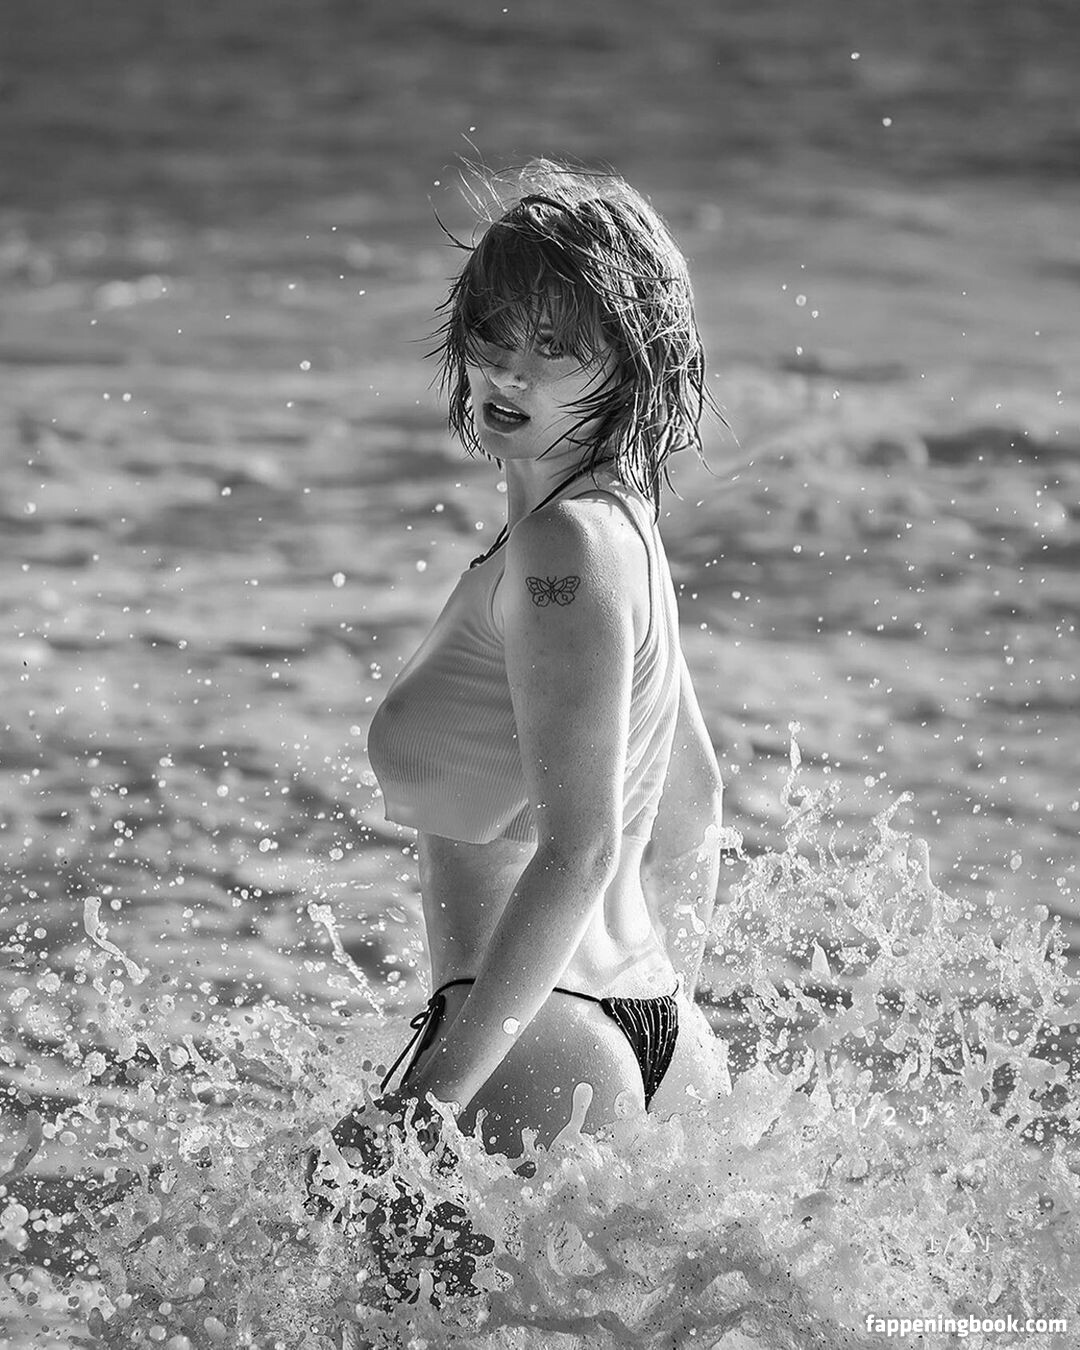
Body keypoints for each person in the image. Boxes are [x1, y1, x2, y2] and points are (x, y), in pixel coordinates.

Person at [306, 158, 724, 1262]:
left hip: (535, 1044)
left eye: (554, 344)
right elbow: (694, 804)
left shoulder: (558, 550)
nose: (508, 367)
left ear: (631, 360)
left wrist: (424, 1107)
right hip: (651, 1032)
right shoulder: (620, 530)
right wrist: (648, 1007)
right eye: (495, 331)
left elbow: (581, 850)